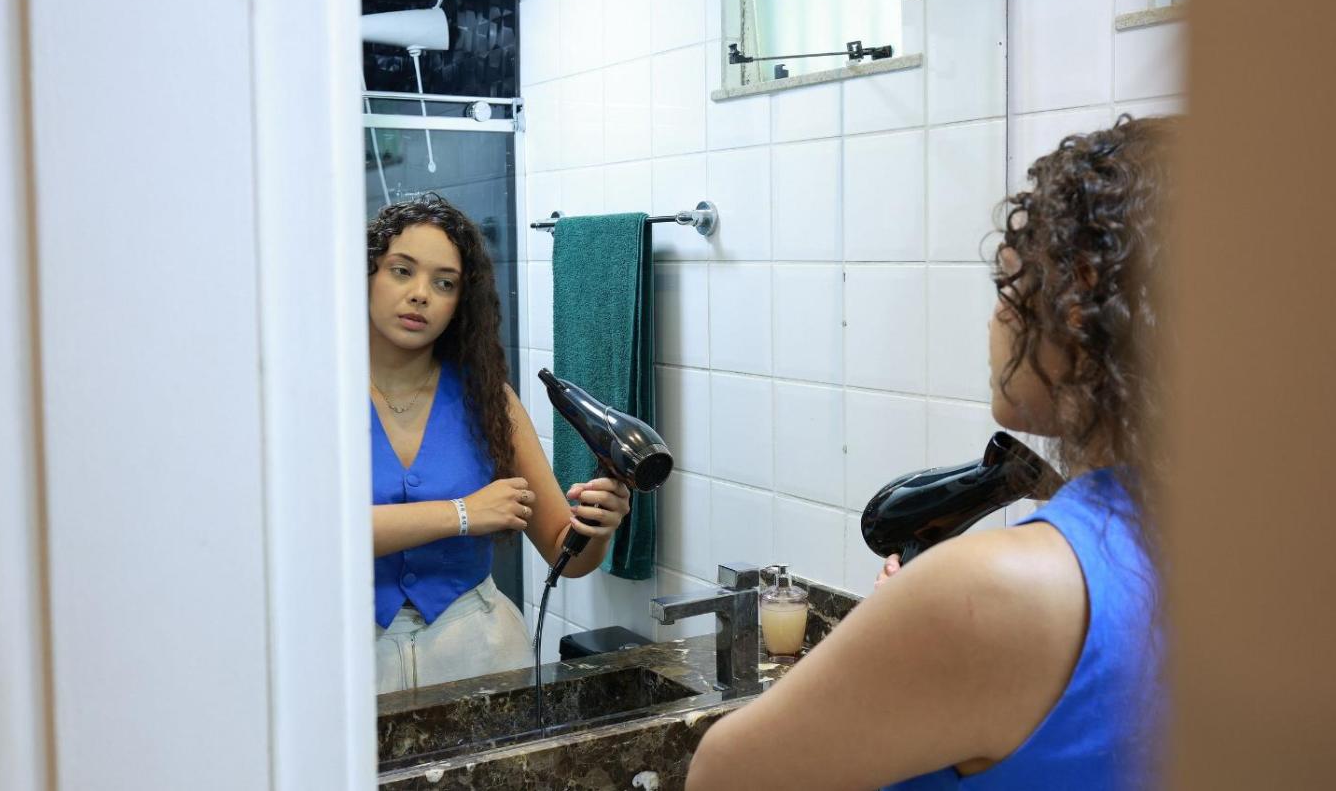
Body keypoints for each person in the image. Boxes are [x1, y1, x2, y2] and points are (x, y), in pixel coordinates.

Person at [687, 116, 1174, 790]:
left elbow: (721, 777)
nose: (993, 319)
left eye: (1007, 285)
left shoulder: (996, 592)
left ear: (1075, 306)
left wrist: (920, 618)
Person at [369, 195, 630, 694]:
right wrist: (463, 514)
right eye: (402, 271)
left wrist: (597, 526)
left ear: (460, 303)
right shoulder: (313, 404)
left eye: (444, 283)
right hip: (346, 651)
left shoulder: (489, 401)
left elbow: (567, 555)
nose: (420, 295)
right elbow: (315, 535)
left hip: (480, 652)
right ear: (366, 276)